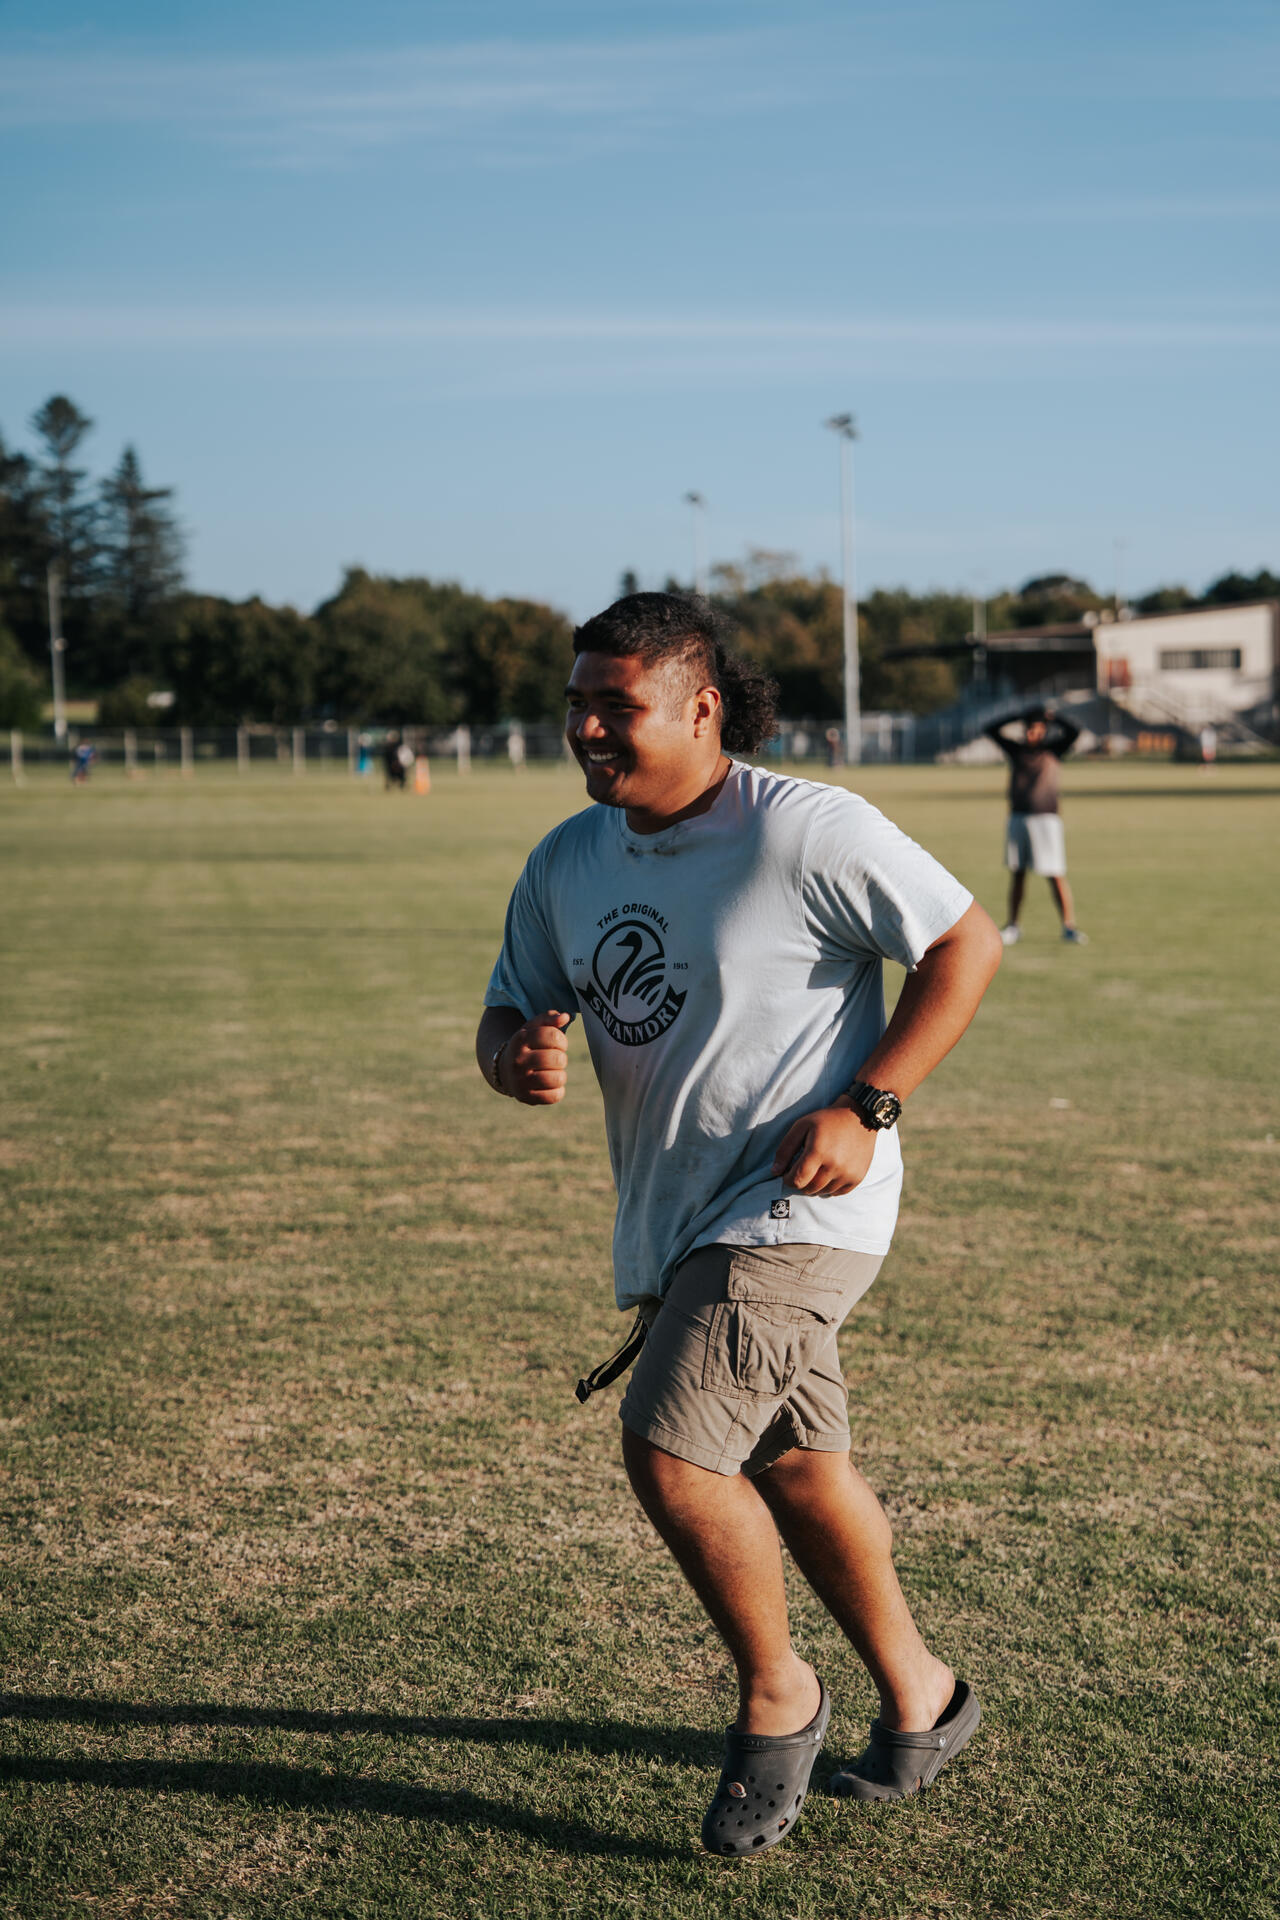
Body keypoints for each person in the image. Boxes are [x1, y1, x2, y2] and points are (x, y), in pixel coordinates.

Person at [476, 593, 1003, 1857]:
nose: (588, 728)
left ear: (700, 707)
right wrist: (517, 1056)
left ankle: (780, 1694)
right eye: (577, 704)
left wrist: (868, 1105)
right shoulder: (568, 859)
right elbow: (509, 1011)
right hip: (675, 1219)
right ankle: (925, 1698)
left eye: (619, 705)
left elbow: (962, 942)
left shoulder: (800, 829)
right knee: (795, 1467)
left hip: (796, 1209)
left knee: (669, 1449)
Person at [984, 703, 1086, 945]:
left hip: (1046, 819)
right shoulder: (1016, 750)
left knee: (1055, 873)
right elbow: (991, 729)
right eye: (1030, 728)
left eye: (1039, 729)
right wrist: (1018, 715)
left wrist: (1053, 716)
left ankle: (1068, 925)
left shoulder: (1053, 750)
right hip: (1019, 817)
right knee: (1018, 873)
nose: (1034, 733)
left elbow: (1074, 731)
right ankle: (1013, 925)